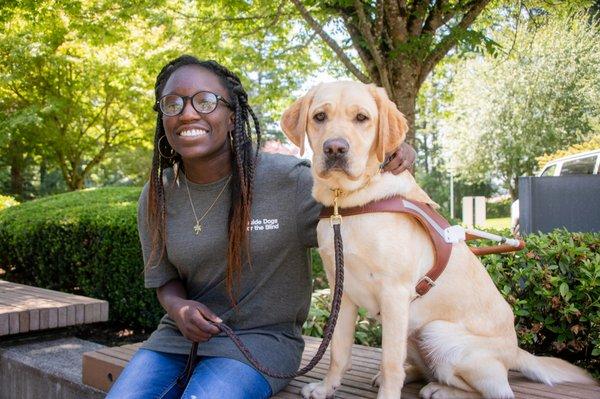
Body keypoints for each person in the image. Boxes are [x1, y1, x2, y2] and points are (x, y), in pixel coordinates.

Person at [106, 55, 415, 399]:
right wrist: (179, 308)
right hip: (178, 340)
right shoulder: (157, 194)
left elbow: (369, 211)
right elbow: (164, 279)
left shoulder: (291, 181)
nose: (188, 113)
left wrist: (388, 152)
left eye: (205, 101)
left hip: (263, 344)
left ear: (233, 116)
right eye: (172, 103)